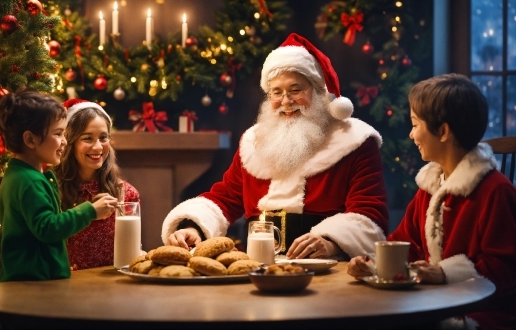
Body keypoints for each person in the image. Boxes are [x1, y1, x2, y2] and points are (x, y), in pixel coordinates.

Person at [162, 33, 388, 260]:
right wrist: (193, 228)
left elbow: (369, 213)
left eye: (296, 90)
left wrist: (330, 241)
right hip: (258, 267)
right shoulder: (253, 142)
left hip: (328, 268)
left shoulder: (354, 141)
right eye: (276, 92)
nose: (286, 101)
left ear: (319, 92)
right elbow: (226, 198)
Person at [347, 73, 516, 329]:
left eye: (416, 124)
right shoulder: (429, 189)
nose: (412, 135)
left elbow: (505, 267)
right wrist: (372, 263)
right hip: (435, 303)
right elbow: (405, 243)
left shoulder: (495, 191)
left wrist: (447, 273)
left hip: (483, 313)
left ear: (444, 131)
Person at [0, 90, 118, 282]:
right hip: (33, 284)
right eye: (58, 134)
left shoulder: (23, 175)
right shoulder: (30, 181)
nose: (64, 141)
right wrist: (90, 211)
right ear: (30, 140)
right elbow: (48, 228)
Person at [54, 99, 140, 270]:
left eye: (103, 138)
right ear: (69, 142)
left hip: (112, 289)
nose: (97, 147)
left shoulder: (126, 193)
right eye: (87, 139)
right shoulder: (52, 189)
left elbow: (131, 252)